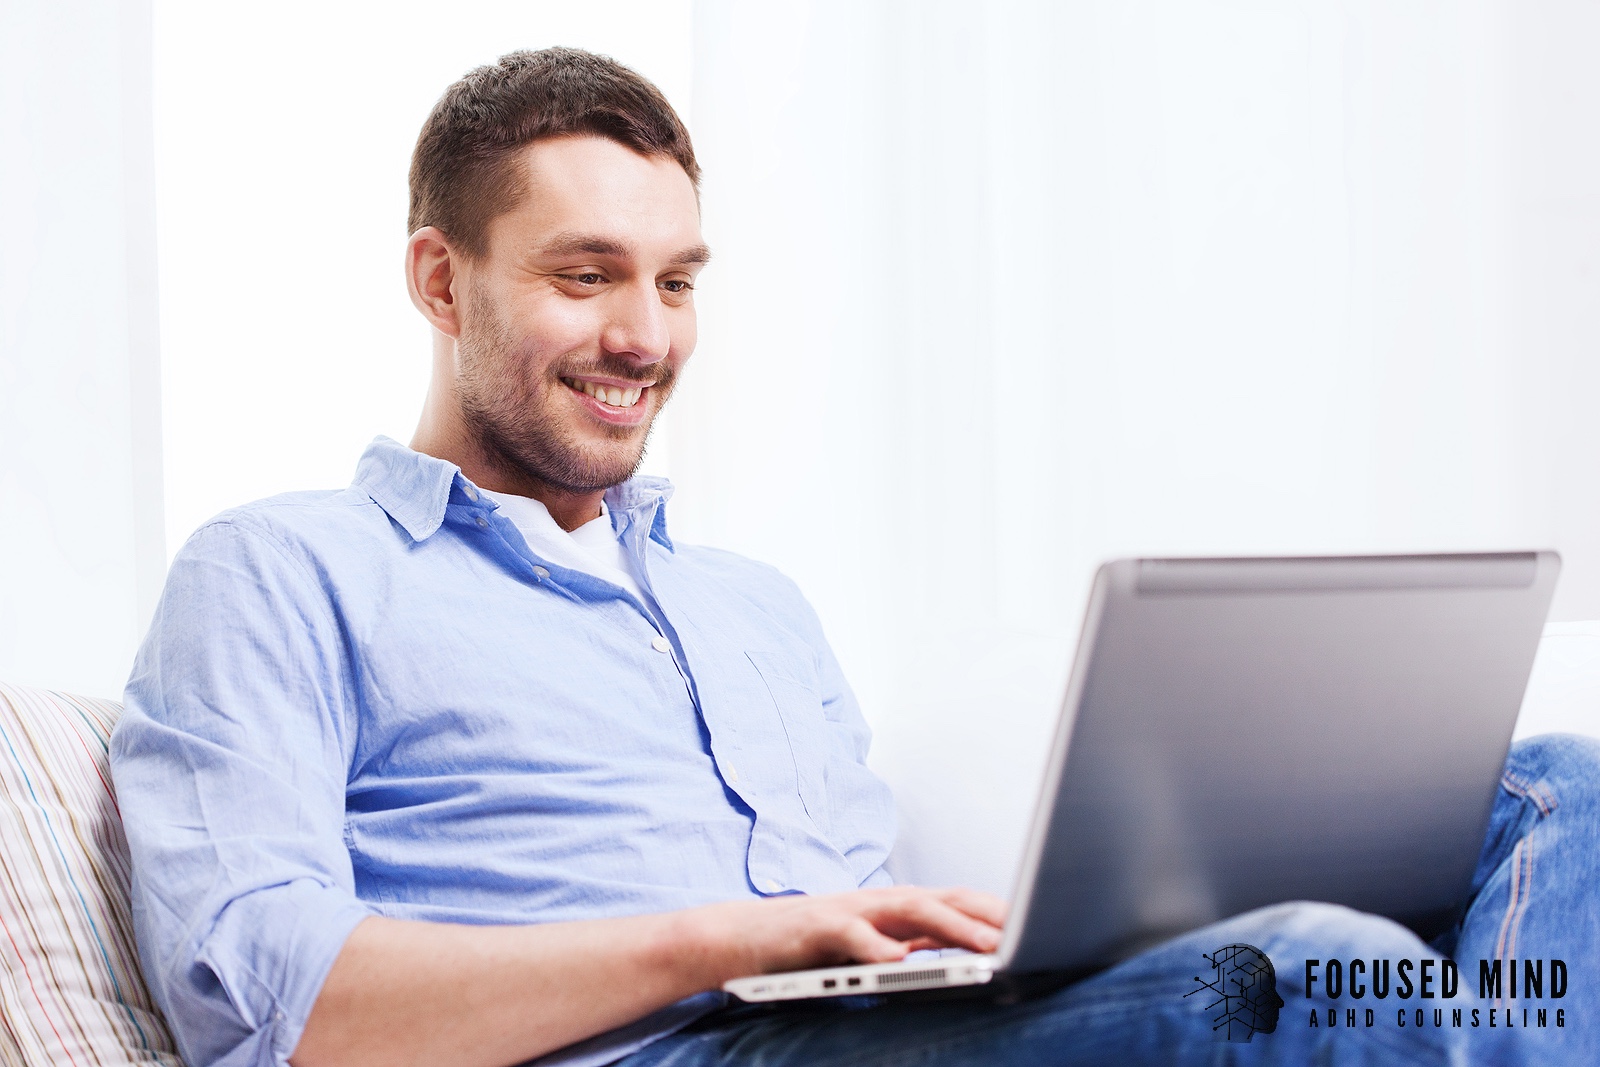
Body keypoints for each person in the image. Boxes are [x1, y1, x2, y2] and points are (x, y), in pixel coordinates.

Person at [110, 47, 1599, 1067]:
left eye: (679, 280)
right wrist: (721, 940)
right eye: (588, 276)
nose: (647, 335)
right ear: (442, 278)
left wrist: (1076, 907)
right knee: (1312, 971)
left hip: (883, 1026)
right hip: (667, 1049)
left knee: (1558, 790)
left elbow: (857, 928)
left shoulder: (751, 607)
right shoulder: (279, 570)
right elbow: (275, 1007)